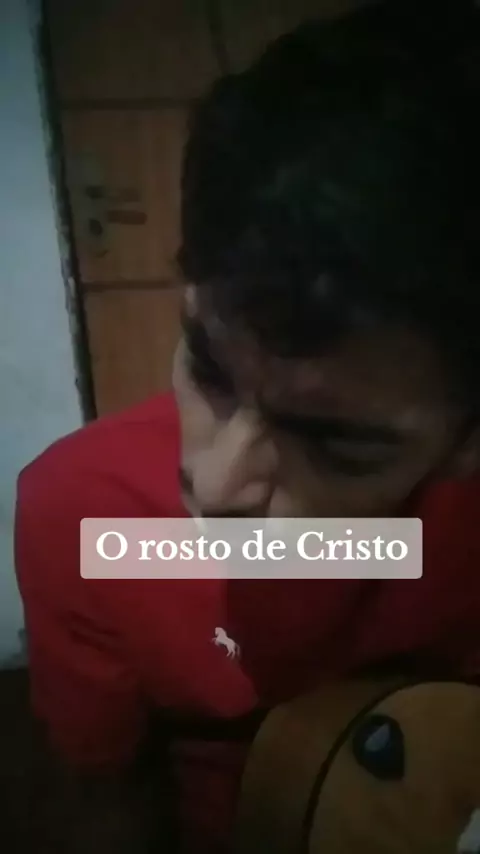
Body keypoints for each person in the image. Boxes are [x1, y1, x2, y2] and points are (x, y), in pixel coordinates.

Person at [14, 0, 480, 852]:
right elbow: (103, 796)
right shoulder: (86, 518)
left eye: (334, 443)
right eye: (208, 366)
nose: (215, 484)